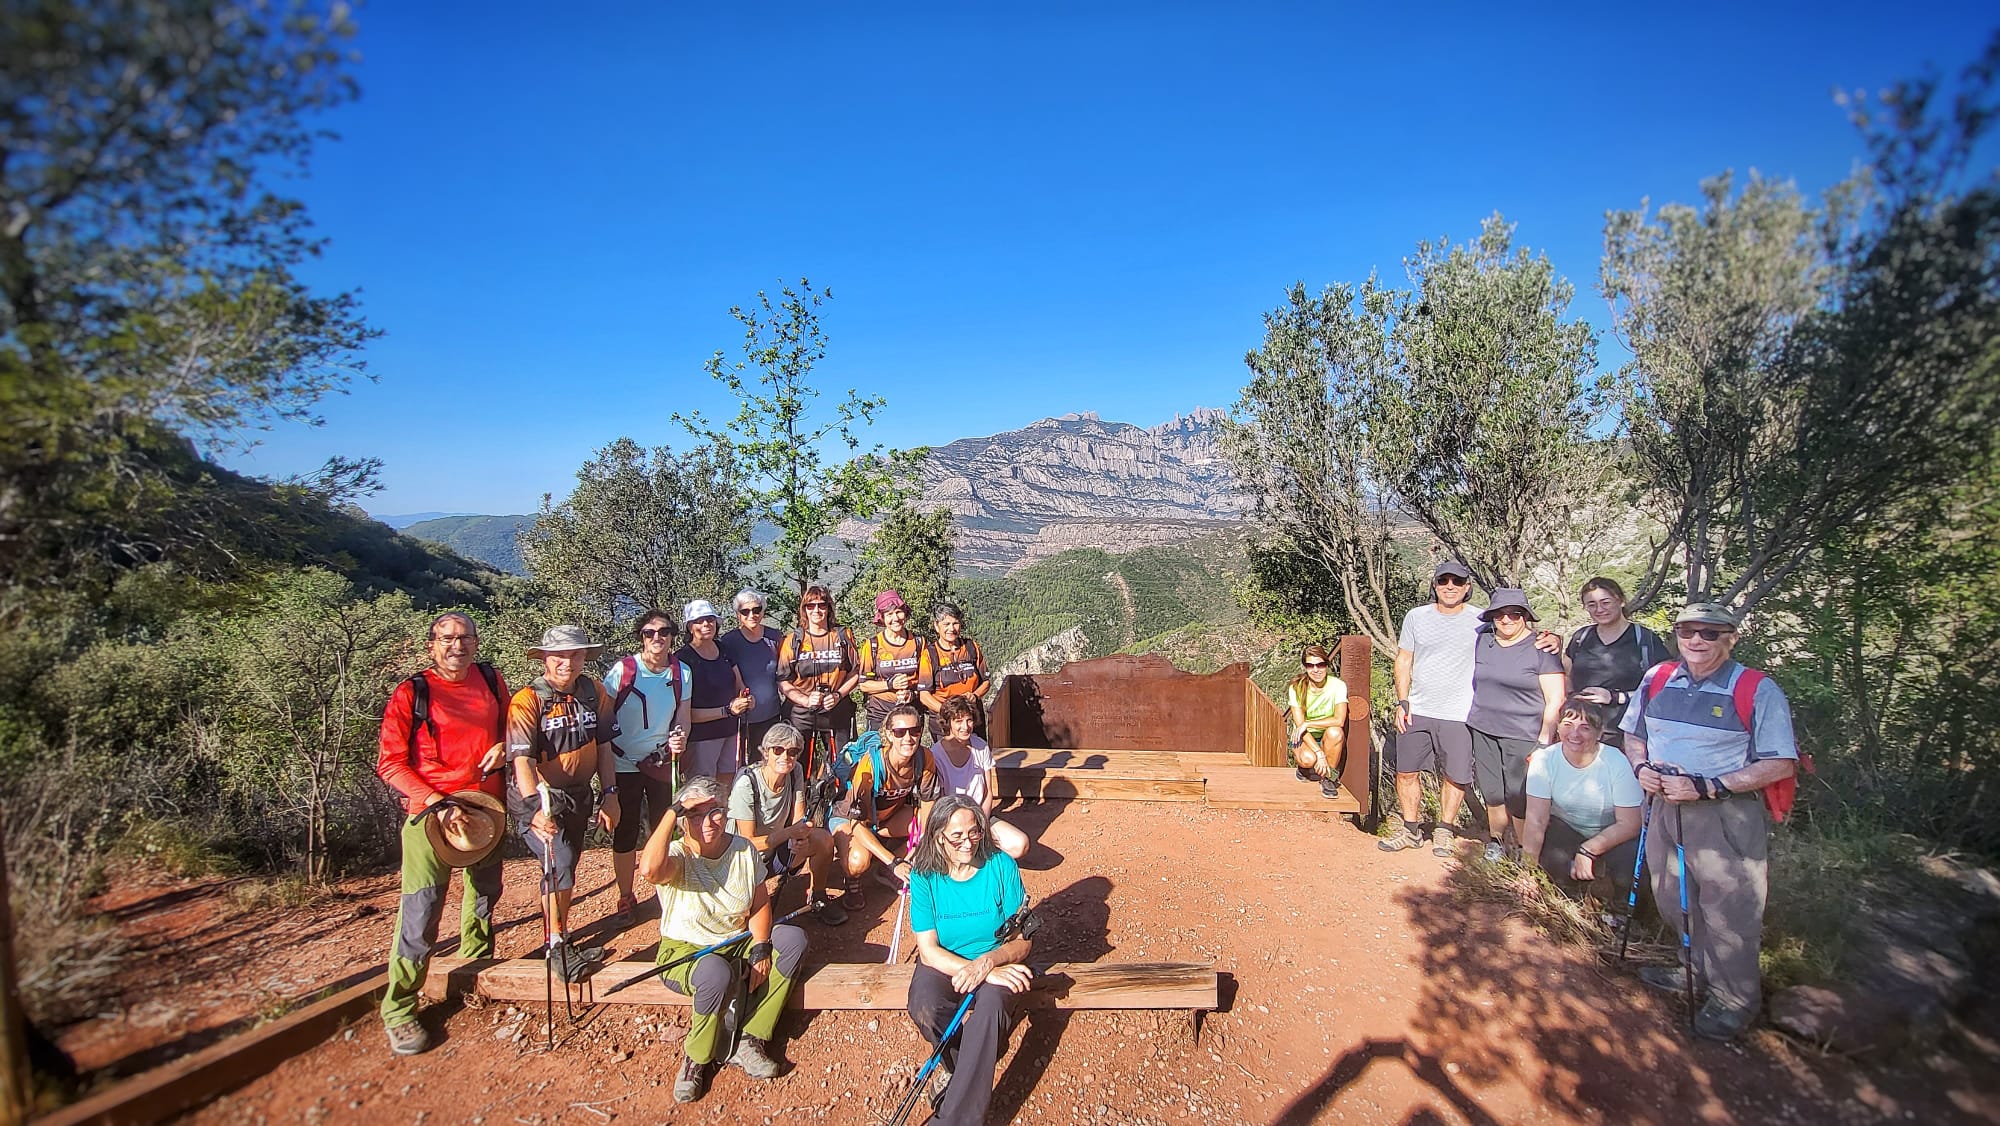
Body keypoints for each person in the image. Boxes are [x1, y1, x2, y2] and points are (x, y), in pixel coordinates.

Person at [1622, 602, 1798, 1042]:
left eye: (1709, 632)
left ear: (1730, 638)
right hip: (1663, 804)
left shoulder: (1757, 689)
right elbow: (1634, 734)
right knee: (1671, 896)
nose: (1696, 641)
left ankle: (1735, 1000)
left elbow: (1779, 762)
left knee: (1728, 906)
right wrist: (1641, 769)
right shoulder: (1657, 678)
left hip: (1723, 813)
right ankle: (1695, 972)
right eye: (1687, 632)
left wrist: (1709, 787)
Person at [374, 612, 510, 1055]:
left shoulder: (491, 680)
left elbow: (513, 730)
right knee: (422, 908)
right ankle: (400, 1007)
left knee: (486, 891)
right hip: (431, 816)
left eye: (467, 637)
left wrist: (507, 747)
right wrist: (436, 802)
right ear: (432, 644)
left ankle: (474, 964)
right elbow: (391, 763)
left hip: (486, 812)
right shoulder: (412, 693)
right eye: (449, 638)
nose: (459, 645)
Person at [639, 775, 810, 1104]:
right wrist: (673, 812)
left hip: (738, 939)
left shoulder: (742, 850)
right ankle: (697, 1058)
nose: (707, 821)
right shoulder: (678, 855)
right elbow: (649, 870)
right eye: (695, 814)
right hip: (687, 952)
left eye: (715, 811)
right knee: (714, 973)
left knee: (792, 940)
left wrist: (761, 947)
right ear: (683, 819)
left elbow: (760, 902)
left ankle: (752, 1036)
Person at [907, 795, 1035, 1126]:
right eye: (957, 836)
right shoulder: (925, 876)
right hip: (948, 960)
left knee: (991, 1011)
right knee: (925, 1005)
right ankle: (969, 1067)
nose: (969, 843)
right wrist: (975, 970)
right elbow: (928, 951)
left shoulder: (1000, 865)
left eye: (975, 832)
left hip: (996, 958)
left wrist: (990, 963)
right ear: (938, 837)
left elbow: (1024, 941)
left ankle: (952, 1120)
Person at [506, 625, 620, 980]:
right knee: (560, 863)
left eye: (574, 654)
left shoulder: (593, 692)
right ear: (543, 657)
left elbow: (604, 747)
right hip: (540, 797)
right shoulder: (527, 701)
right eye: (558, 655)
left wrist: (610, 794)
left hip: (579, 795)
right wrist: (533, 809)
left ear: (585, 657)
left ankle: (561, 933)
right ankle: (555, 945)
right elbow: (522, 760)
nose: (566, 662)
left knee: (568, 863)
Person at [602, 609, 692, 925]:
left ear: (672, 637)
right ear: (641, 637)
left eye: (664, 632)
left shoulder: (681, 672)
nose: (657, 638)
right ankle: (626, 896)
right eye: (650, 633)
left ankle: (664, 890)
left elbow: (683, 715)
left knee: (663, 825)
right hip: (622, 761)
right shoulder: (623, 671)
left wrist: (680, 737)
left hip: (661, 761)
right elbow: (603, 714)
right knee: (625, 829)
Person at [1466, 588, 1567, 861]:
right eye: (1500, 614)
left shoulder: (1541, 647)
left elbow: (1556, 698)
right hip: (1483, 727)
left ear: (1525, 616)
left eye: (1515, 614)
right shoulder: (1483, 639)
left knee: (1519, 796)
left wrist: (1544, 740)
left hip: (1524, 732)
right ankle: (1496, 840)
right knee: (1492, 791)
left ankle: (1525, 851)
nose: (1507, 619)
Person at [1519, 699, 1642, 901]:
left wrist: (1589, 850)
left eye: (1585, 728)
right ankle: (1571, 900)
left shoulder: (1617, 762)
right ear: (1558, 728)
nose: (1574, 734)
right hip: (1569, 828)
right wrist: (1528, 871)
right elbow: (1536, 820)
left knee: (1629, 870)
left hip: (1613, 832)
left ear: (1600, 733)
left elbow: (1630, 824)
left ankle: (1622, 913)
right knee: (1553, 861)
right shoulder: (1544, 760)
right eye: (1567, 725)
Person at [728, 723, 849, 925]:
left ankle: (818, 897)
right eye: (778, 750)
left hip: (775, 851)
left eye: (792, 752)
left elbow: (799, 818)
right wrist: (791, 833)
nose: (785, 757)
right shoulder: (747, 784)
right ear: (766, 752)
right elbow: (746, 843)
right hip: (742, 863)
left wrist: (800, 836)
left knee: (823, 839)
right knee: (743, 921)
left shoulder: (795, 772)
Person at [1563, 577, 1674, 749]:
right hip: (1583, 732)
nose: (1599, 609)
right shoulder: (1581, 638)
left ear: (1620, 601)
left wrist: (1616, 697)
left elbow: (1665, 688)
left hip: (1627, 734)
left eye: (1605, 602)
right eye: (1591, 604)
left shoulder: (1644, 639)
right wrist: (1571, 699)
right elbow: (1567, 674)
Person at [833, 705, 936, 891]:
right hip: (851, 819)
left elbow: (929, 805)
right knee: (858, 862)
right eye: (899, 732)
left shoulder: (924, 758)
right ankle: (853, 881)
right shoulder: (871, 765)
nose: (908, 738)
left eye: (914, 731)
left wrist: (921, 839)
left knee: (934, 827)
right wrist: (894, 862)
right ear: (889, 735)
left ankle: (886, 869)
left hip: (887, 817)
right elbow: (857, 823)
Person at [920, 698, 1029, 860]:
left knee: (1020, 845)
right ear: (948, 723)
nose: (965, 727)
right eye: (958, 721)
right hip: (950, 821)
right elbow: (938, 800)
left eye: (969, 720)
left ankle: (979, 853)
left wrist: (980, 823)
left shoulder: (981, 746)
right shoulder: (935, 754)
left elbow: (988, 792)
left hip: (980, 818)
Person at [775, 584, 860, 776]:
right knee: (797, 770)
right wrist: (804, 700)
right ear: (804, 609)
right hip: (802, 715)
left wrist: (838, 694)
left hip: (837, 712)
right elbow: (783, 680)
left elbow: (856, 672)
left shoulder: (842, 635)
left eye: (822, 605)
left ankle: (839, 804)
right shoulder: (793, 640)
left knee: (844, 768)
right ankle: (800, 803)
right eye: (810, 606)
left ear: (829, 607)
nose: (816, 610)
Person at [676, 599, 755, 796]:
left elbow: (739, 683)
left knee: (726, 787)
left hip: (730, 732)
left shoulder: (724, 650)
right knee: (702, 791)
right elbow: (685, 712)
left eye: (710, 620)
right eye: (700, 621)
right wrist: (727, 710)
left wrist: (746, 698)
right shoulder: (683, 659)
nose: (706, 625)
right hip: (701, 739)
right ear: (689, 626)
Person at [719, 589, 783, 763]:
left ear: (763, 610)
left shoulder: (775, 637)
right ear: (737, 615)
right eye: (744, 611)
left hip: (771, 716)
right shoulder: (728, 642)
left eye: (756, 609)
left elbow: (786, 672)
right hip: (739, 719)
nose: (751, 615)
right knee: (737, 765)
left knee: (766, 762)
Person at [1285, 643, 1349, 800]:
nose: (1316, 670)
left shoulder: (1338, 686)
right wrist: (1320, 754)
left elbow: (1339, 720)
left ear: (1326, 664)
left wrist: (1308, 723)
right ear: (1305, 667)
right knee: (1308, 760)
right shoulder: (1297, 688)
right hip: (1304, 737)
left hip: (1326, 735)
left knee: (1335, 732)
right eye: (1310, 665)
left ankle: (1329, 778)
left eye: (1320, 664)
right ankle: (1303, 767)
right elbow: (1300, 726)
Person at [919, 602, 989, 743]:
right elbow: (924, 696)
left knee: (977, 760)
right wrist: (949, 713)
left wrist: (975, 695)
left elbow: (986, 681)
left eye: (955, 623)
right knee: (948, 763)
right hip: (944, 724)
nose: (951, 628)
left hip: (972, 720)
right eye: (946, 624)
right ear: (936, 626)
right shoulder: (930, 655)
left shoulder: (971, 647)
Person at [857, 590, 924, 732]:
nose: (896, 618)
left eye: (899, 612)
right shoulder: (873, 645)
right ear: (881, 618)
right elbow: (864, 685)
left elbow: (926, 681)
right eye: (889, 614)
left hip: (910, 711)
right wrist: (890, 684)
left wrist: (911, 694)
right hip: (879, 713)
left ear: (905, 613)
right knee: (876, 752)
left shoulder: (918, 643)